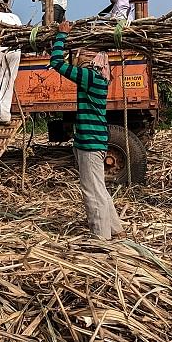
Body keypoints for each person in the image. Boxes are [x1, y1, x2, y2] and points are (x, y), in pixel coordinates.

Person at [49, 20, 124, 239]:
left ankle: (101, 237)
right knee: (99, 187)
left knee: (92, 191)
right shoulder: (98, 79)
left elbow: (56, 63)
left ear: (93, 61)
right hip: (93, 141)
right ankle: (116, 229)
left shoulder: (90, 77)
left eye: (84, 54)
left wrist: (61, 36)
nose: (79, 56)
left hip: (91, 144)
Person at [0, 0, 22, 124]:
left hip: (1, 49)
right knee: (8, 81)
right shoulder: (16, 17)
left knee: (0, 81)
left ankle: (0, 115)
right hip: (15, 50)